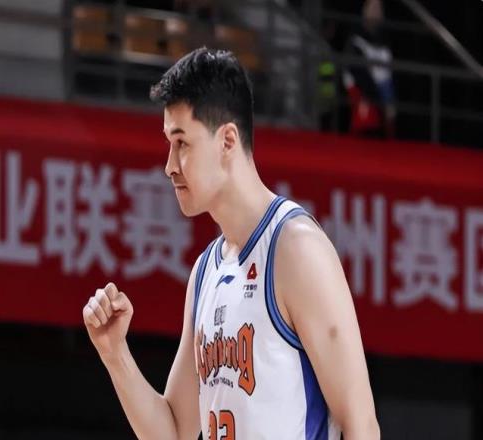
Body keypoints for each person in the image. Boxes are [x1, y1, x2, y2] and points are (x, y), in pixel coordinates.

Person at [82, 47, 380, 440]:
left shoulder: (296, 250)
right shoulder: (206, 272)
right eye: (169, 143)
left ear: (227, 140)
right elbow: (175, 433)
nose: (169, 165)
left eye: (182, 143)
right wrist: (114, 353)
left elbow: (362, 425)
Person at [343, 0, 395, 138]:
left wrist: (389, 102)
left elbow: (388, 75)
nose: (375, 12)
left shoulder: (385, 42)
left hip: (385, 99)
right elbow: (359, 74)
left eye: (379, 8)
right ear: (364, 11)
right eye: (372, 7)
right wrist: (380, 102)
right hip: (365, 99)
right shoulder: (355, 41)